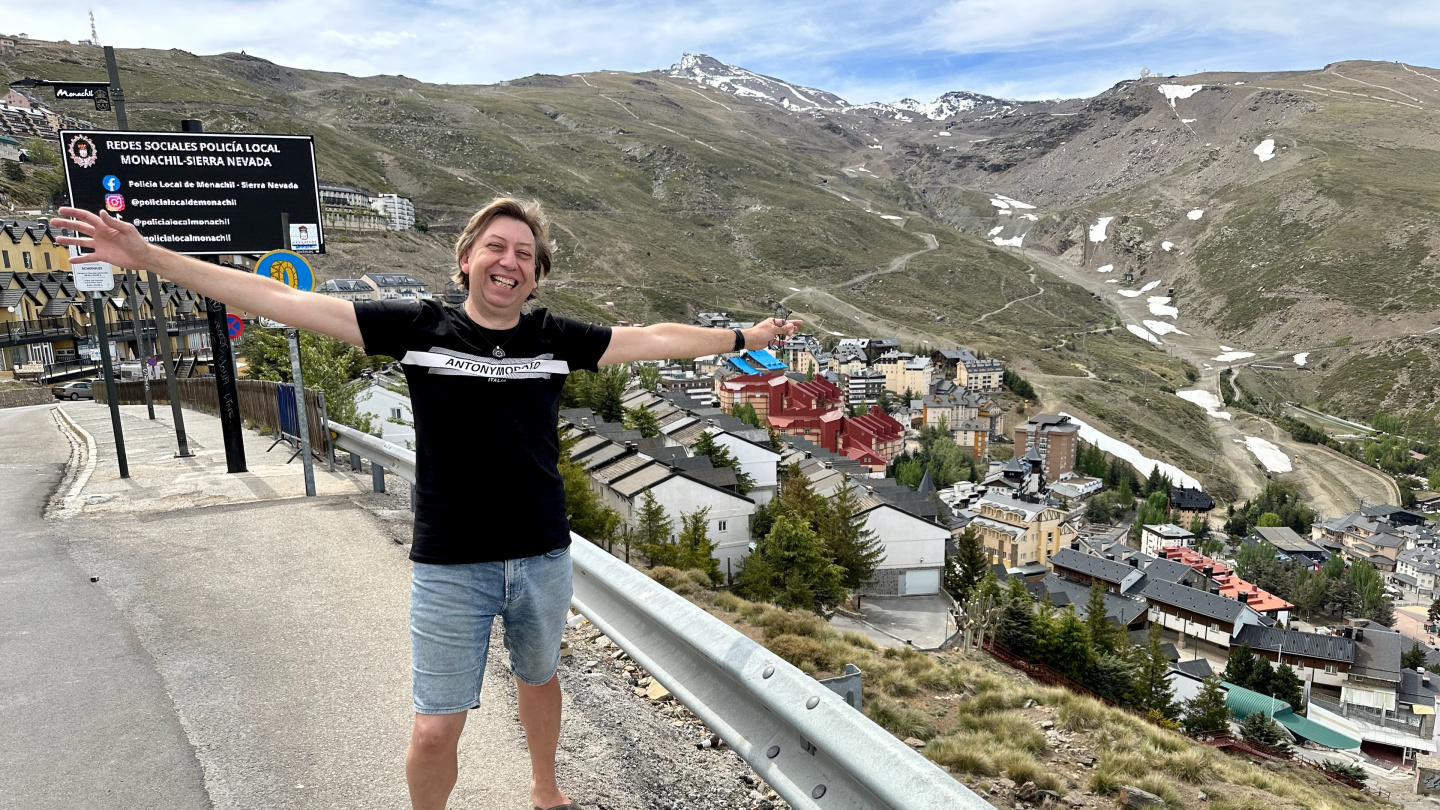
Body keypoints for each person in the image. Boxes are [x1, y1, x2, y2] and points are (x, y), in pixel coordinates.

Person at [52, 198, 799, 810]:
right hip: (451, 564)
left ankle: (545, 788)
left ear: (536, 277)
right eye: (497, 247)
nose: (510, 262)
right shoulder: (416, 328)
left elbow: (657, 337)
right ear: (467, 257)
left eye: (526, 256)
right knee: (437, 728)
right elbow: (280, 298)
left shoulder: (554, 338)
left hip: (542, 553)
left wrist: (743, 335)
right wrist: (150, 258)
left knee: (539, 679)